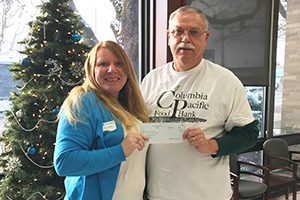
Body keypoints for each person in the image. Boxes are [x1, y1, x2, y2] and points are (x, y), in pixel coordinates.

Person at [140, 6, 259, 200]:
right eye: (178, 31)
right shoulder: (151, 80)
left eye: (193, 32)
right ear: (169, 36)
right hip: (159, 194)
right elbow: (141, 128)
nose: (185, 38)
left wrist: (211, 145)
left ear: (205, 38)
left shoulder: (225, 81)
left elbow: (249, 134)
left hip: (209, 195)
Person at [54, 40, 150, 200]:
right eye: (103, 64)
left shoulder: (132, 105)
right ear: (92, 70)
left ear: (127, 69)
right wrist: (120, 151)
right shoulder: (82, 101)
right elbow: (64, 162)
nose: (112, 69)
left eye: (119, 63)